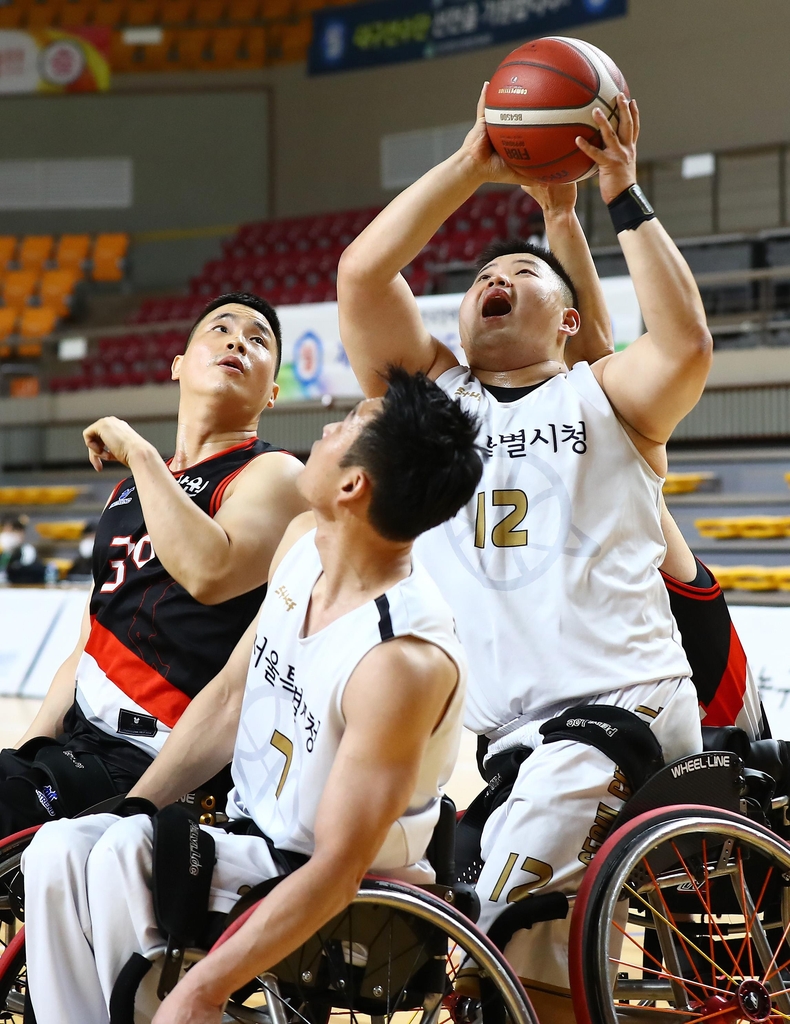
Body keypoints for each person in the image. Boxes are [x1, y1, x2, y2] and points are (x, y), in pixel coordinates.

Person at [337, 87, 712, 1022]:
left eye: (520, 271)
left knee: (493, 923)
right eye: (480, 277)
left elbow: (686, 342)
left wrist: (621, 190)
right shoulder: (435, 407)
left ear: (572, 319)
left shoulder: (606, 398)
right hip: (513, 744)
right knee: (497, 956)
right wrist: (472, 162)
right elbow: (361, 278)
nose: (491, 280)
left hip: (624, 711)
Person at [23, 367, 482, 1024]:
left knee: (126, 854)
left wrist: (203, 990)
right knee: (61, 847)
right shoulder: (301, 544)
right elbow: (231, 697)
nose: (326, 427)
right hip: (240, 837)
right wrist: (132, 805)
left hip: (318, 882)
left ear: (353, 484)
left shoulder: (400, 659)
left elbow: (336, 868)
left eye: (347, 424)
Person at [0, 292, 307, 836]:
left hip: (158, 760)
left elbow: (210, 573)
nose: (238, 340)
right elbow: (87, 647)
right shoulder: (127, 491)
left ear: (273, 393)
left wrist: (141, 452)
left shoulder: (274, 473)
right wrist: (24, 754)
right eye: (221, 329)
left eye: (258, 340)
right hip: (79, 746)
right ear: (178, 365)